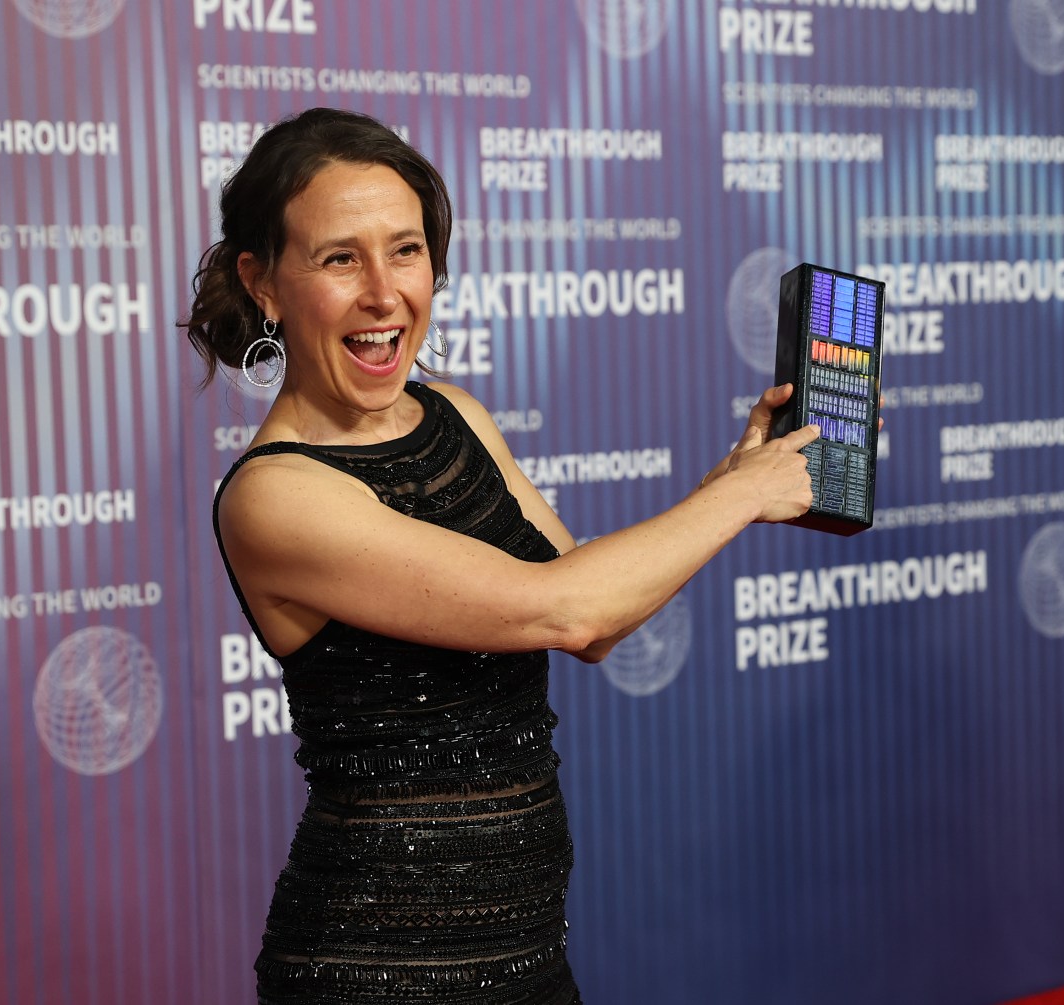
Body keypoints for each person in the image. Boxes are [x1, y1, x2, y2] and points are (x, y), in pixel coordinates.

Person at [183, 107, 822, 1005]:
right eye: (339, 258)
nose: (382, 291)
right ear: (264, 283)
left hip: (525, 959)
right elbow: (562, 609)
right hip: (375, 973)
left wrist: (736, 479)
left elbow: (594, 616)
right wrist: (738, 498)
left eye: (405, 251)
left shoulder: (457, 418)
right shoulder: (274, 495)